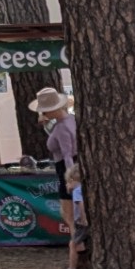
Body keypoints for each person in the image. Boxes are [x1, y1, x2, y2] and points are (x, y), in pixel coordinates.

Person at [33, 86, 77, 236]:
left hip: (65, 169)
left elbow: (67, 154)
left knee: (69, 214)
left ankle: (76, 243)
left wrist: (70, 178)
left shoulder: (61, 128)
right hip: (71, 167)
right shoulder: (70, 121)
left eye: (45, 110)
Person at [63, 163, 87, 269]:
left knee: (72, 244)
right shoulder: (83, 189)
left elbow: (81, 204)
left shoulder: (77, 191)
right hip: (82, 221)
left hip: (80, 222)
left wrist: (83, 218)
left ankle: (72, 268)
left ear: (72, 180)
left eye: (67, 182)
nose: (66, 185)